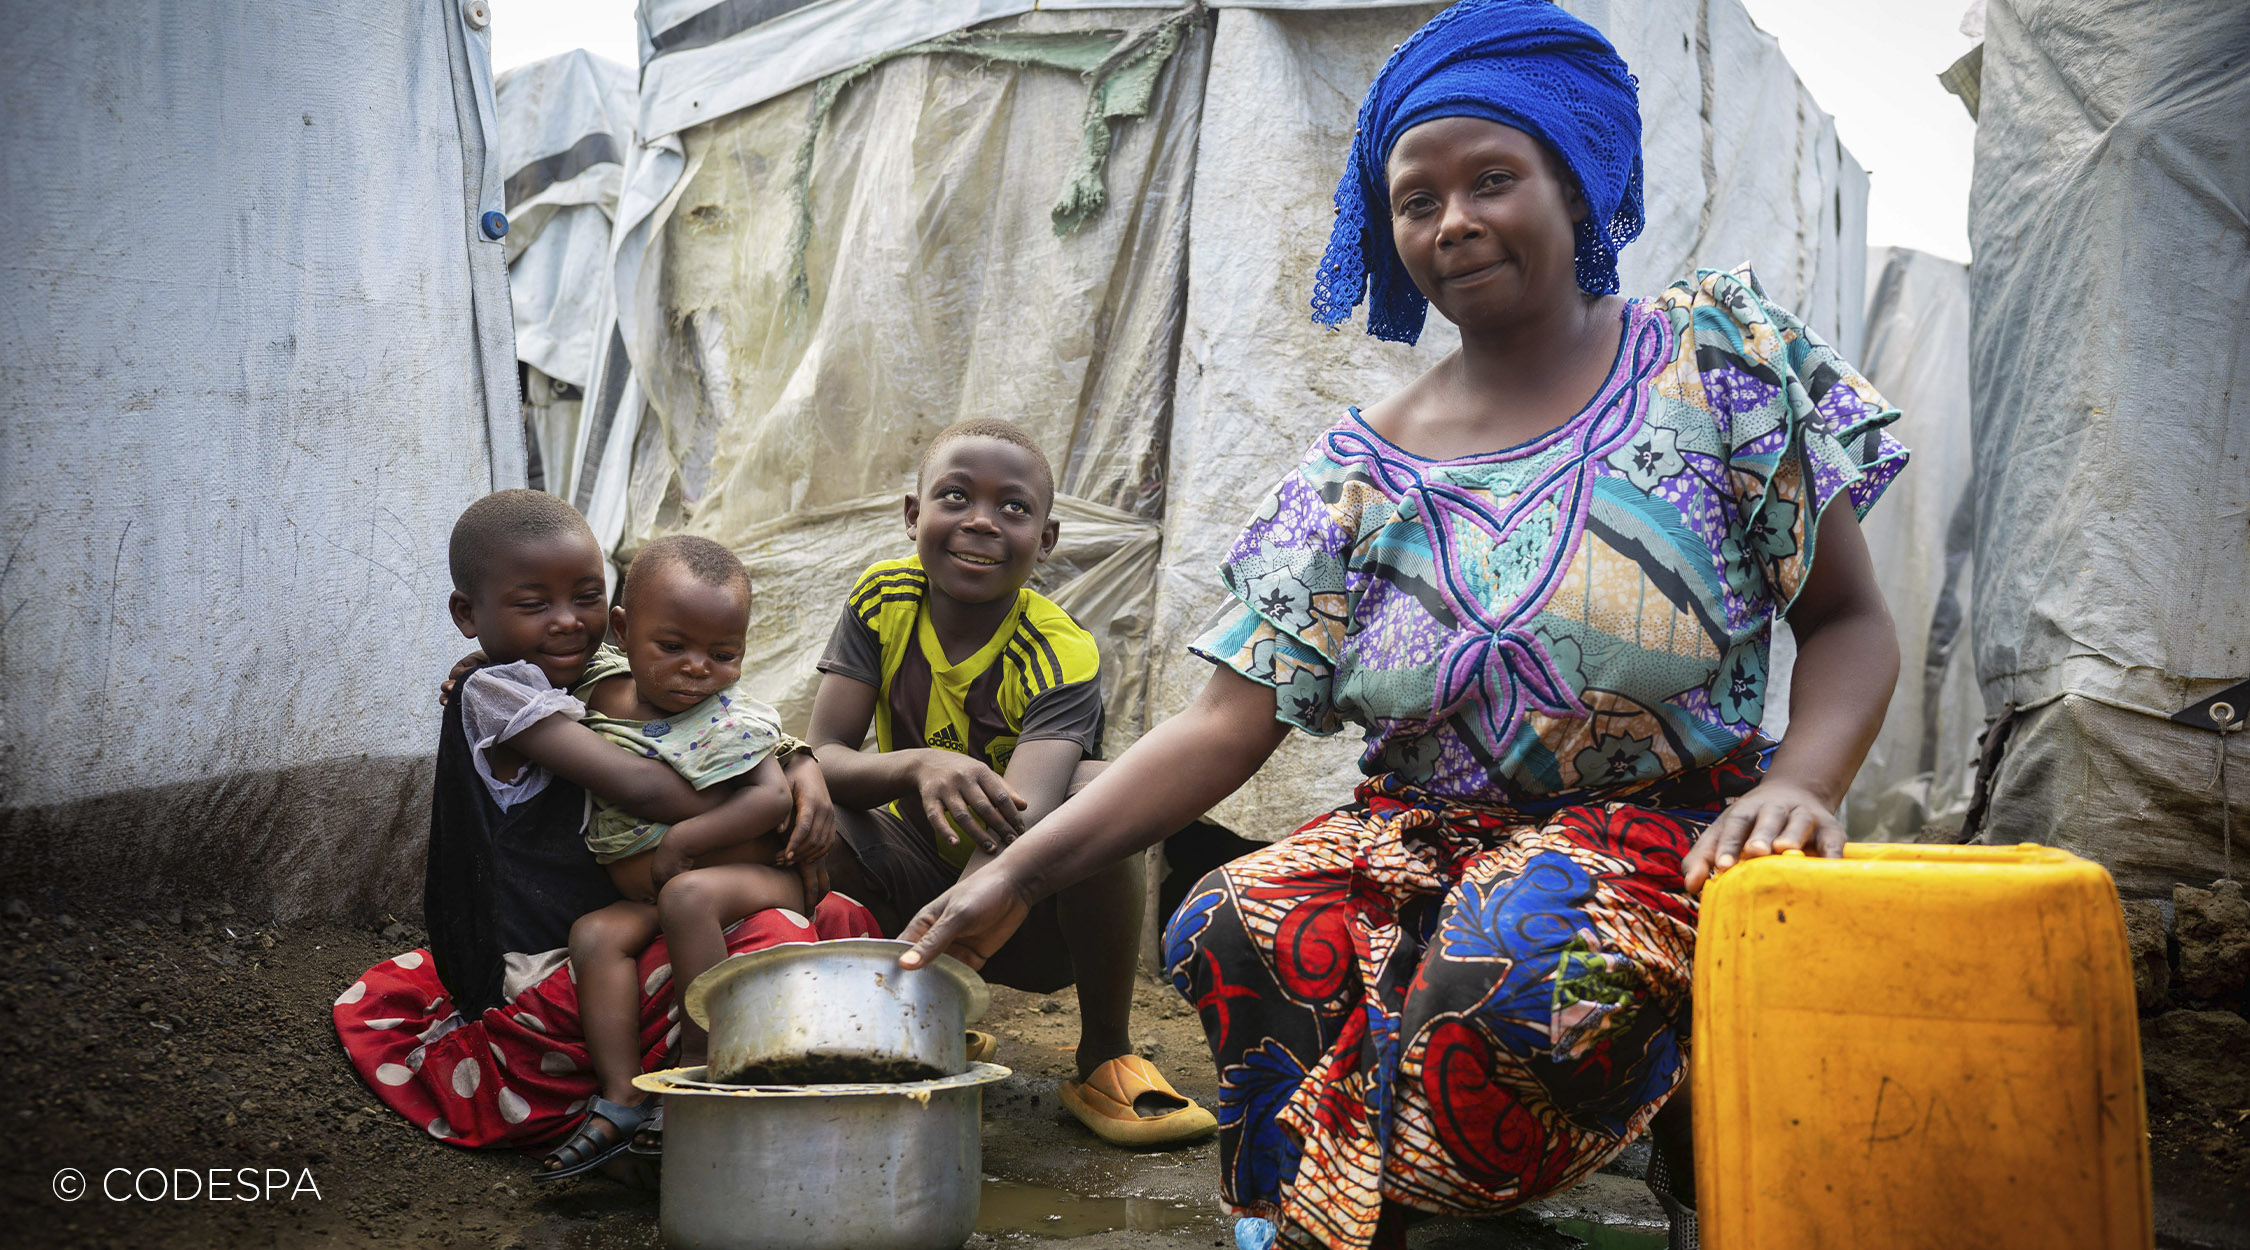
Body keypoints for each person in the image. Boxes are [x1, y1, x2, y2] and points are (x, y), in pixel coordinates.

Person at [890, 4, 1907, 1248]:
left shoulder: (1708, 363)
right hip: (1421, 831)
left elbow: (1849, 617)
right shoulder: (1357, 472)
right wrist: (1016, 867)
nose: (1451, 222)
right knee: (1232, 916)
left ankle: (1480, 1175)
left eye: (1493, 178)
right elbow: (1224, 722)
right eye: (1415, 199)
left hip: (1666, 827)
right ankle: (1394, 1212)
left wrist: (1805, 780)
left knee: (1506, 959)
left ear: (1575, 183)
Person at [338, 489, 861, 1167]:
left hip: (631, 909)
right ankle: (659, 1088)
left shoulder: (597, 671)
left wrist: (796, 761)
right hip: (535, 960)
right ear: (469, 614)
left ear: (611, 617)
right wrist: (767, 810)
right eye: (534, 605)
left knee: (811, 917)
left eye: (584, 597)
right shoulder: (499, 691)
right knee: (774, 932)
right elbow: (644, 787)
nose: (566, 624)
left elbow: (720, 725)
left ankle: (721, 1081)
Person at [809, 418, 1217, 1147]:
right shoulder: (881, 601)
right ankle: (903, 1021)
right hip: (913, 877)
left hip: (1033, 909)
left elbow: (1022, 817)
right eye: (956, 496)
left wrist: (954, 943)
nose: (980, 522)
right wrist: (916, 763)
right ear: (913, 516)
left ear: (1047, 538)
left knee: (1100, 790)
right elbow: (826, 752)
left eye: (1014, 508)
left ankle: (1104, 1055)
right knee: (808, 804)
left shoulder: (1059, 650)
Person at [536, 533, 810, 1181]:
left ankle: (697, 1071)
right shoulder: (600, 684)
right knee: (593, 934)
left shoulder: (727, 719)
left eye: (723, 654)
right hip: (644, 898)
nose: (697, 669)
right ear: (624, 632)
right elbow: (524, 664)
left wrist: (685, 842)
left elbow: (770, 800)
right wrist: (468, 670)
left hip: (750, 880)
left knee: (688, 896)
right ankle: (623, 1094)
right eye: (673, 647)